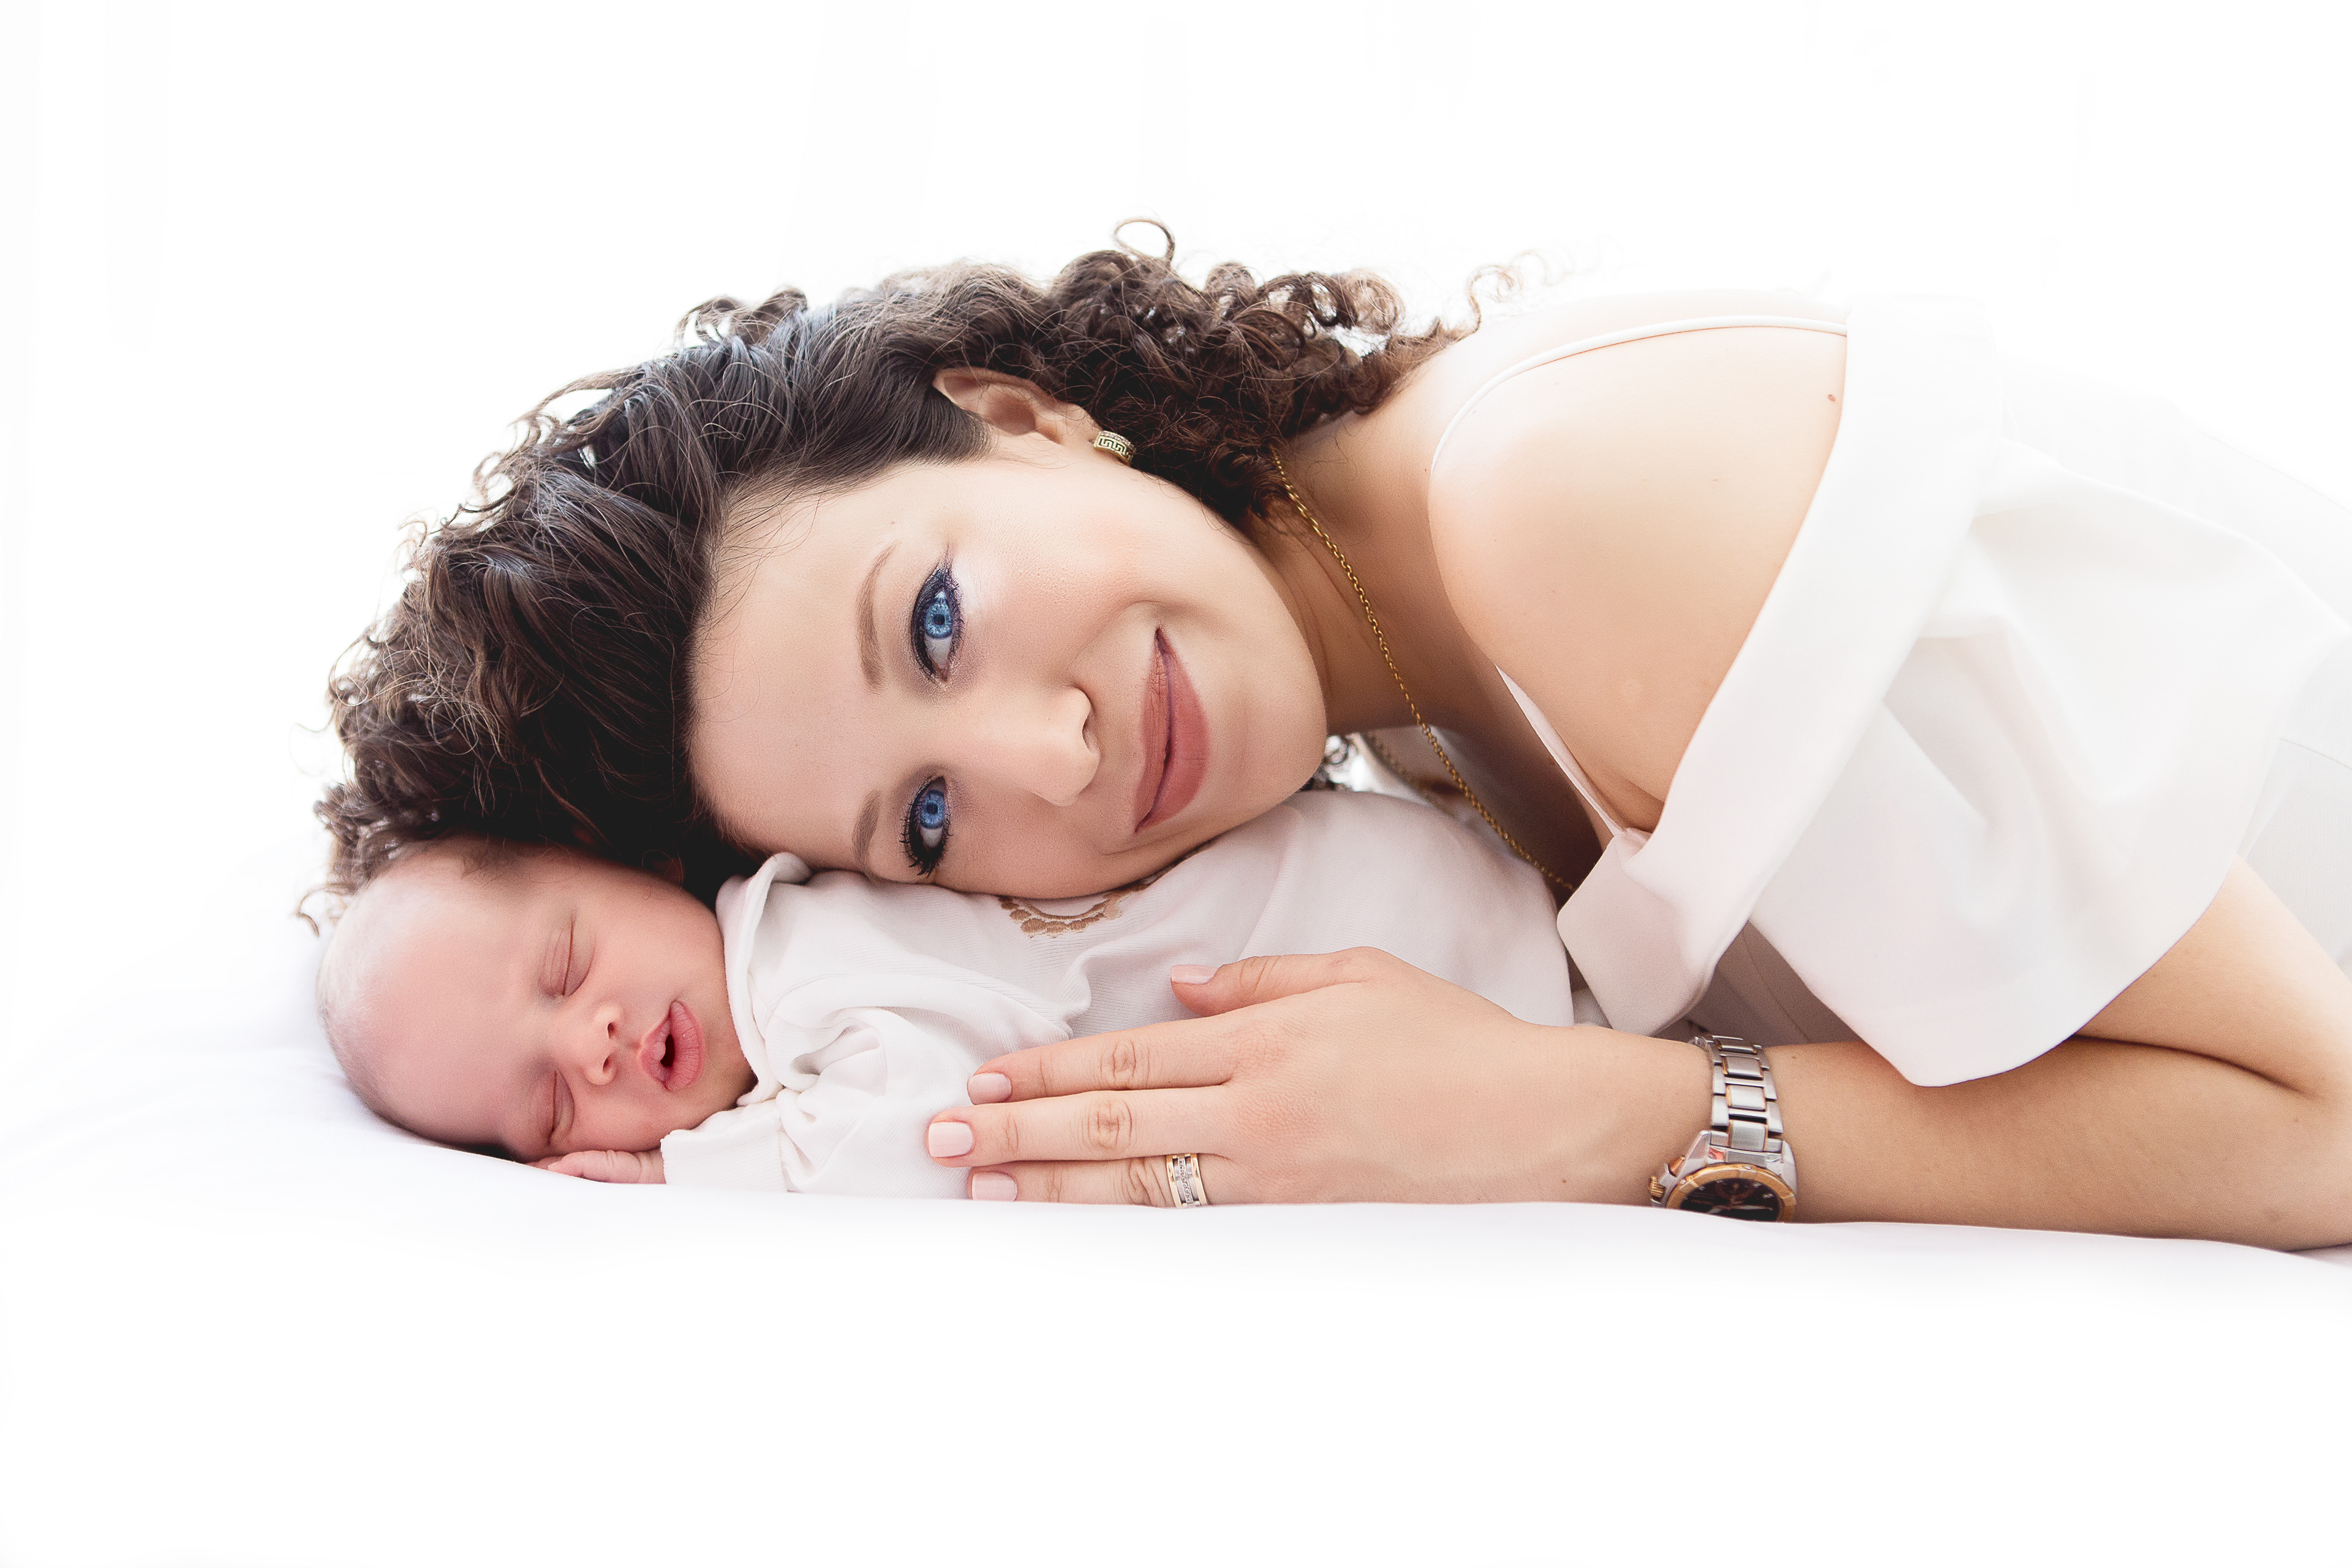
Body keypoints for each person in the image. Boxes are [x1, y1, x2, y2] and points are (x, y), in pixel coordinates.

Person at [321, 228, 2352, 1247]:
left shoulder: (1554, 495)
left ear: (1020, 415)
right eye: (927, 820)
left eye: (936, 616)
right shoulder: (1402, 717)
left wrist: (1586, 1119)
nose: (1053, 757)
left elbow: (2326, 1127)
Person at [316, 786, 1580, 1200]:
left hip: (1417, 938)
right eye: (548, 1105)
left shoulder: (796, 952)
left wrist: (682, 1174)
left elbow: (937, 1127)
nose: (589, 1042)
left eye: (564, 966)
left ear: (635, 864)